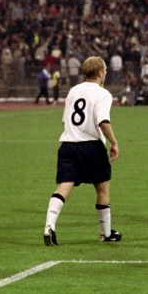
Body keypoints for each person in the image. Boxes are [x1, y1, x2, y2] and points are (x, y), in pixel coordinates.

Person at [42, 56, 122, 246]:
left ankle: (49, 226)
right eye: (105, 71)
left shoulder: (73, 91)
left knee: (63, 186)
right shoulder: (103, 94)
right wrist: (114, 142)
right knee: (102, 187)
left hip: (68, 144)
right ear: (100, 73)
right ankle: (105, 233)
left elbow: (66, 120)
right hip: (90, 145)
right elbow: (102, 121)